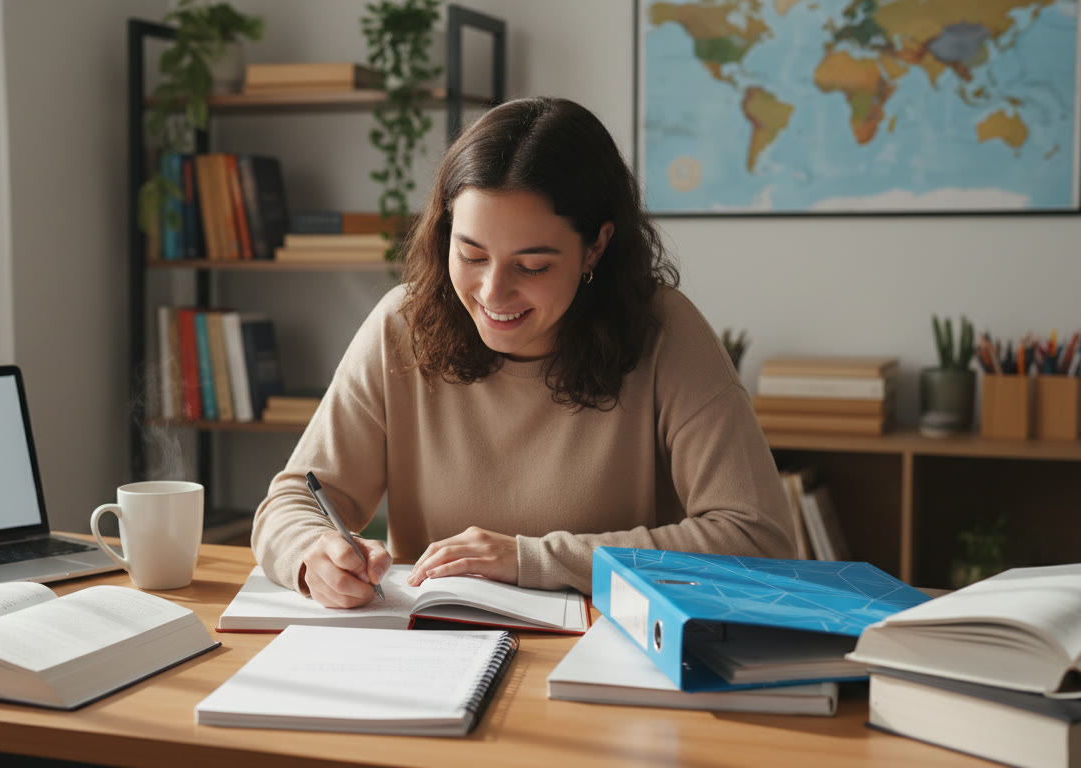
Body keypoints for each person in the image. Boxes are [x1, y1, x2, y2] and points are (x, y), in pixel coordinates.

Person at [251, 96, 793, 608]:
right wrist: (313, 556)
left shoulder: (665, 331)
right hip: (434, 648)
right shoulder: (402, 325)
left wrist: (533, 559)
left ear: (596, 247)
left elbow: (757, 538)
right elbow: (292, 503)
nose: (492, 294)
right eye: (471, 255)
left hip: (613, 656)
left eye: (532, 266)